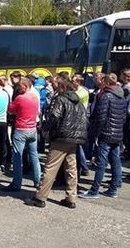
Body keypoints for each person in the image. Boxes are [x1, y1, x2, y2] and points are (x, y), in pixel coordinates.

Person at [25, 77, 89, 208]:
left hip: (62, 137)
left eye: (57, 85)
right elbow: (85, 119)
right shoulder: (79, 101)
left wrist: (45, 128)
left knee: (50, 167)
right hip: (75, 138)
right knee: (71, 168)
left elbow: (55, 116)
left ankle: (40, 197)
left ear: (62, 87)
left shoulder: (61, 99)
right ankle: (71, 198)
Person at [79, 74, 128, 199]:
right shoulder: (121, 96)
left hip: (105, 133)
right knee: (115, 161)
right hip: (117, 133)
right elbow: (123, 117)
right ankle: (113, 189)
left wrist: (95, 134)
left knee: (100, 162)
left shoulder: (106, 96)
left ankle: (94, 190)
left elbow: (101, 117)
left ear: (105, 83)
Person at [1, 77, 41, 192]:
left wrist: (14, 110)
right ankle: (37, 181)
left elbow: (10, 109)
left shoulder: (20, 98)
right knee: (34, 156)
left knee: (18, 157)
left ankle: (16, 183)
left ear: (25, 86)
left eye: (20, 86)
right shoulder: (35, 96)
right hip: (32, 128)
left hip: (21, 129)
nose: (18, 88)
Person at [120, 69, 130, 160]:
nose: (120, 76)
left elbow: (122, 94)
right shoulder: (124, 85)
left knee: (127, 133)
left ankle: (129, 152)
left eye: (122, 75)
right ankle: (126, 151)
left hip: (127, 112)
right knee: (125, 133)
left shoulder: (129, 86)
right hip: (124, 111)